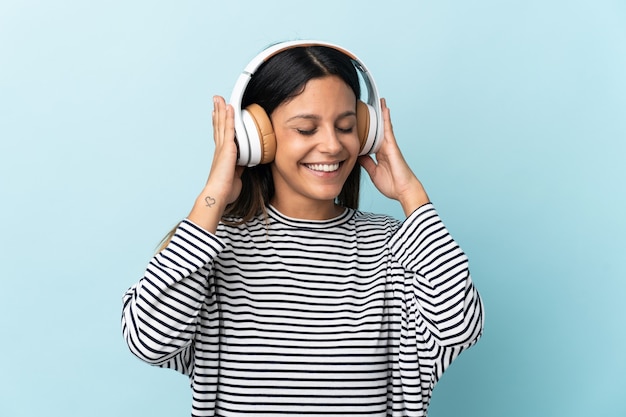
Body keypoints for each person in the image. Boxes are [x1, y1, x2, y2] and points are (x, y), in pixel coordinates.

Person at [122, 40, 484, 417]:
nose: (331, 145)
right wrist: (211, 199)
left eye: (346, 126)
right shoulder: (211, 245)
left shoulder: (394, 245)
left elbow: (459, 327)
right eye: (307, 129)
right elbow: (148, 340)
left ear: (367, 130)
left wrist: (413, 197)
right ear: (256, 138)